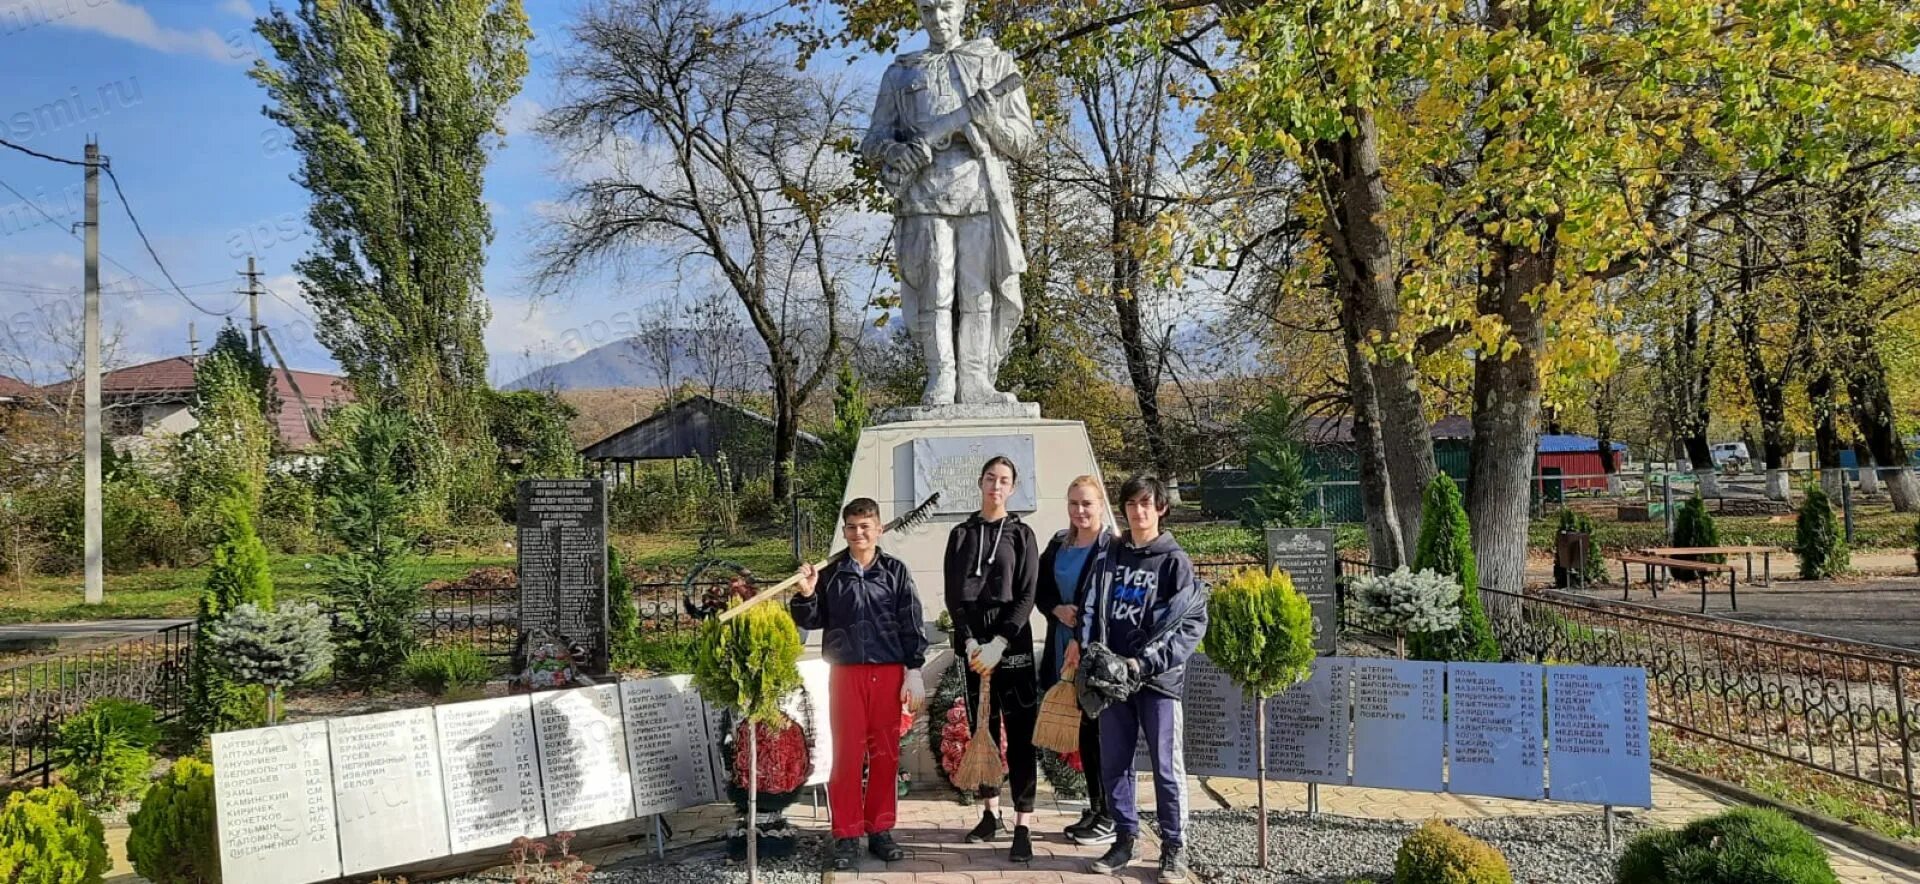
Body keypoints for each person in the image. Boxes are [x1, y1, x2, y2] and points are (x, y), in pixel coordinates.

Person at [861, 0, 1037, 405]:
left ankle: (976, 380)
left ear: (964, 9)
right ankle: (940, 378)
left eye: (945, 7)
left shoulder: (994, 64)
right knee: (935, 287)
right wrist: (893, 152)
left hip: (981, 192)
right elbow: (872, 139)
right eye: (927, 10)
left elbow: (1025, 143)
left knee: (979, 290)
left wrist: (990, 121)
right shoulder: (902, 71)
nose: (938, 19)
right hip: (923, 194)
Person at [1078, 473, 1208, 883]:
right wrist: (1092, 656)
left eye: (1146, 504)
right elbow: (1090, 609)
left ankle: (1173, 847)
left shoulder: (1174, 561)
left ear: (1161, 508)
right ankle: (1125, 838)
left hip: (1157, 683)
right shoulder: (1109, 556)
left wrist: (1143, 664)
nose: (1138, 512)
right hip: (1112, 682)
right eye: (1132, 505)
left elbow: (1191, 624)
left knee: (1167, 769)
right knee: (1115, 764)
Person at [791, 498, 929, 870]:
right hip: (846, 672)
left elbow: (910, 620)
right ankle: (847, 833)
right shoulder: (832, 573)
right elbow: (812, 618)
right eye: (851, 527)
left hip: (886, 672)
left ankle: (880, 829)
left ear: (879, 529)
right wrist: (806, 593)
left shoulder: (895, 572)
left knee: (884, 754)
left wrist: (913, 669)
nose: (858, 533)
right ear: (845, 530)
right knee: (849, 755)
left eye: (865, 526)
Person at [943, 455, 1041, 862]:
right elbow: (954, 594)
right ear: (980, 483)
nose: (995, 486)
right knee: (983, 728)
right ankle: (989, 812)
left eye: (1003, 480)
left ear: (1012, 487)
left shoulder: (1021, 534)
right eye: (989, 479)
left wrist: (1001, 640)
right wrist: (968, 641)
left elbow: (1027, 593)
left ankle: (1023, 824)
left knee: (1019, 736)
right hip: (973, 644)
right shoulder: (962, 534)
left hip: (1010, 643)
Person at [1036, 475, 1116, 846]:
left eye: (1087, 503)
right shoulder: (1058, 545)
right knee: (1084, 733)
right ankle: (1096, 806)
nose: (1080, 511)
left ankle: (1111, 814)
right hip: (1062, 644)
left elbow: (1111, 603)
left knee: (1101, 733)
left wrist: (1084, 635)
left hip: (1095, 652)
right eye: (1074, 504)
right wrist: (1056, 609)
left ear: (1100, 505)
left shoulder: (1112, 548)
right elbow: (1039, 590)